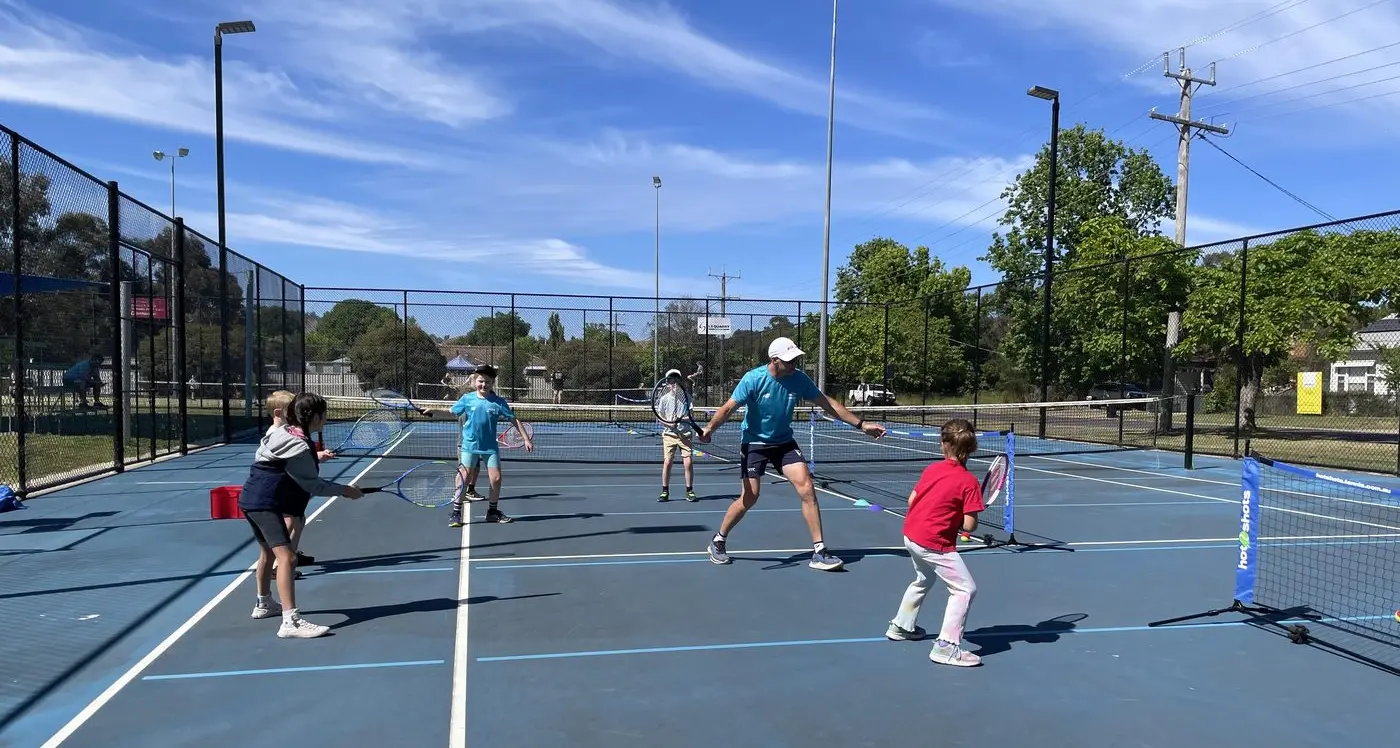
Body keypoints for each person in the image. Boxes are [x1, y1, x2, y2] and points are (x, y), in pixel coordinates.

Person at [698, 336, 885, 571]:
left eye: (796, 358)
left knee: (807, 487)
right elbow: (727, 408)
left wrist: (861, 425)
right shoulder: (753, 379)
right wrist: (709, 429)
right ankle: (719, 540)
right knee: (750, 496)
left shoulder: (799, 379)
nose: (794, 363)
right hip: (754, 443)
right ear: (774, 360)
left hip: (784, 442)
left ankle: (819, 551)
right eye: (789, 360)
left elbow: (827, 402)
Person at [240, 391, 363, 638]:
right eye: (324, 414)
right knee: (287, 558)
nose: (325, 419)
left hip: (250, 499)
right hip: (266, 502)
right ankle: (291, 621)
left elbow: (284, 463)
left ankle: (264, 603)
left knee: (266, 553)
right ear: (314, 417)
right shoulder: (300, 443)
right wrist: (345, 491)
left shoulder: (282, 432)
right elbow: (313, 485)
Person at [884, 418, 984, 667]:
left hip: (911, 535)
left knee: (924, 579)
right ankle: (946, 646)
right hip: (933, 543)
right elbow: (970, 526)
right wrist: (965, 518)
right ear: (971, 448)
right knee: (964, 589)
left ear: (943, 445)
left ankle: (901, 626)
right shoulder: (969, 483)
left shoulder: (932, 469)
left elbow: (911, 500)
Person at [447, 365, 533, 527]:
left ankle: (492, 512)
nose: (483, 385)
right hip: (469, 446)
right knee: (464, 477)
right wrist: (431, 411)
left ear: (492, 383)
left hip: (489, 448)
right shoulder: (467, 399)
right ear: (474, 381)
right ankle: (456, 513)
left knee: (496, 478)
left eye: (487, 382)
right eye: (480, 381)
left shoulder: (499, 402)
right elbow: (450, 412)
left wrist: (526, 439)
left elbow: (514, 420)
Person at [656, 368, 697, 502]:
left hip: (685, 435)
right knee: (667, 462)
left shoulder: (687, 397)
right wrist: (668, 424)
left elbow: (691, 417)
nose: (673, 384)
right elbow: (659, 417)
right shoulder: (664, 399)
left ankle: (689, 491)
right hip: (669, 435)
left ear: (680, 382)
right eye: (670, 381)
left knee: (688, 462)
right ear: (667, 383)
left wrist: (680, 419)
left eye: (676, 381)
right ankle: (665, 491)